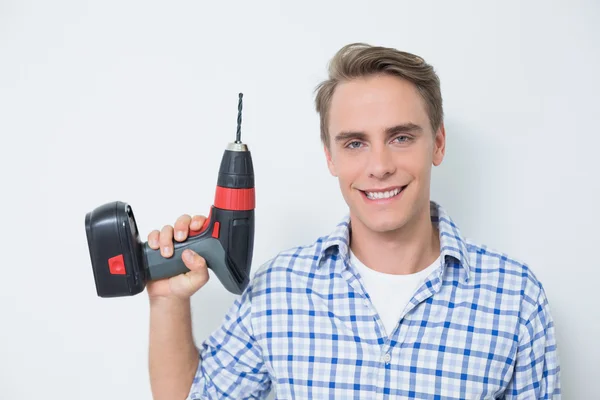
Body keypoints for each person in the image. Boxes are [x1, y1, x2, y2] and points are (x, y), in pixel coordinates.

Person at [146, 43, 561, 399]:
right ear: (330, 156)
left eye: (401, 137)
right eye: (355, 143)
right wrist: (167, 301)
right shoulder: (277, 290)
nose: (379, 166)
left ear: (437, 143)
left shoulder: (515, 299)